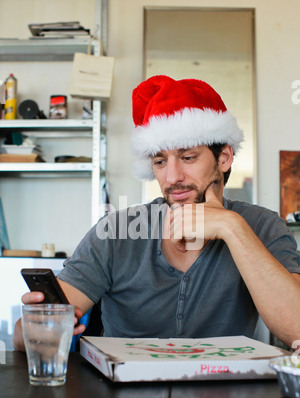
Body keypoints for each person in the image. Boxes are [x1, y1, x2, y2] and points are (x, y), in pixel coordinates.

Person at [13, 75, 300, 351]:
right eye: (160, 161)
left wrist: (232, 227)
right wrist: (35, 328)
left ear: (223, 157)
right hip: (120, 397)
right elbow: (24, 336)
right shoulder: (116, 231)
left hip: (225, 395)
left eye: (188, 157)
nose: (172, 177)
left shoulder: (263, 226)